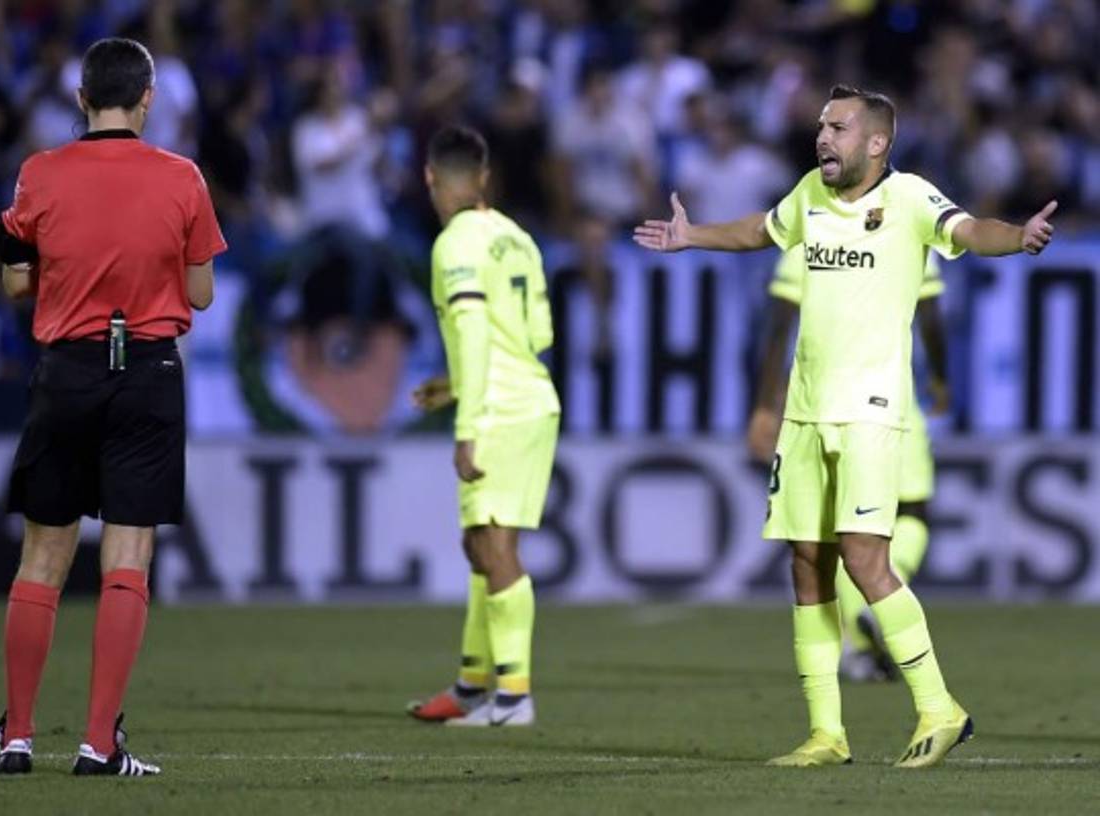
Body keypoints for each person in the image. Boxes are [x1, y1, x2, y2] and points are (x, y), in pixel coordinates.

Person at [634, 84, 1056, 768]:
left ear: (876, 142)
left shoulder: (912, 198)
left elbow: (972, 231)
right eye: (821, 126)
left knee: (866, 559)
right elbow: (761, 230)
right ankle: (827, 733)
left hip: (870, 412)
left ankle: (938, 707)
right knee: (808, 566)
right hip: (804, 412)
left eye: (837, 128)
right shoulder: (809, 194)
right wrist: (693, 237)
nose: (822, 137)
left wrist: (1019, 237)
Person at [0, 38, 226, 777]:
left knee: (44, 555)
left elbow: (16, 286)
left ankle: (19, 737)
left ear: (81, 99)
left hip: (66, 372)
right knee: (128, 556)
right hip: (147, 373)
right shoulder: (182, 177)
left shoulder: (40, 174)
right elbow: (200, 294)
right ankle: (98, 745)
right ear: (148, 99)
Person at [407, 125, 560, 727]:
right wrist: (453, 389)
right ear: (485, 177)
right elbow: (537, 336)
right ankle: (474, 685)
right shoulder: (516, 238)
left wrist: (467, 422)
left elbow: (472, 332)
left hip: (497, 409)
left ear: (429, 178)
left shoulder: (455, 244)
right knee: (482, 545)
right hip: (530, 397)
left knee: (493, 546)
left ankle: (515, 695)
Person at [749, 245, 950, 682]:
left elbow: (779, 328)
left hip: (818, 404)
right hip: (890, 398)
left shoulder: (807, 229)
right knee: (910, 511)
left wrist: (765, 405)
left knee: (826, 537)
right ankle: (870, 613)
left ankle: (857, 646)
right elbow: (930, 314)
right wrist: (940, 376)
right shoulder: (909, 216)